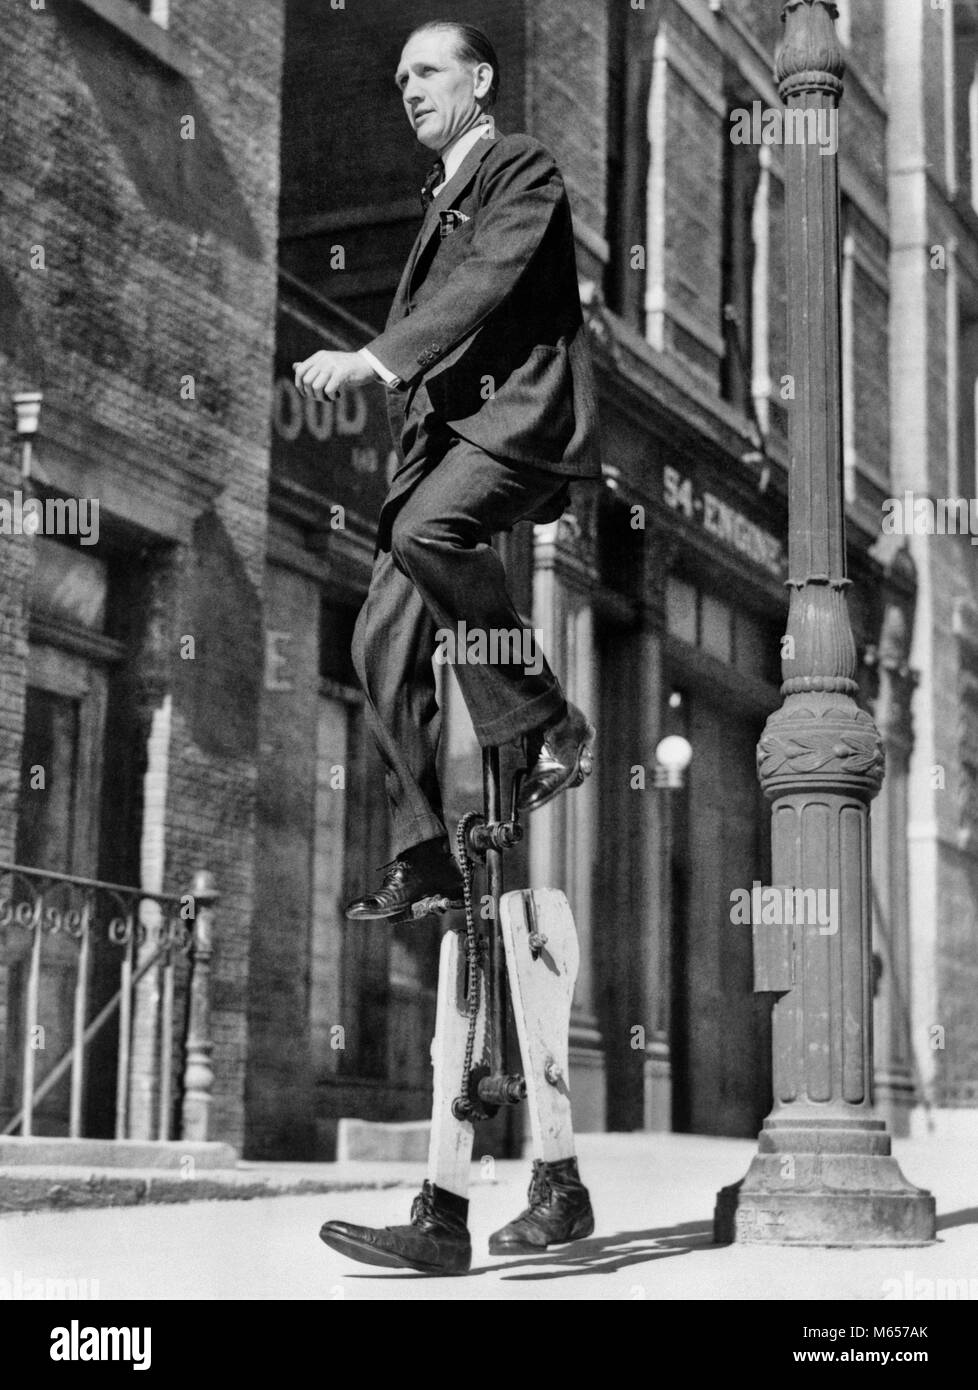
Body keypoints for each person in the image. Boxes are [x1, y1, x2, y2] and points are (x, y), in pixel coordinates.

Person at [296, 19, 598, 1272]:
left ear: (478, 81)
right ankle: (426, 837)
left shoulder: (518, 168)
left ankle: (544, 712)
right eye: (400, 77)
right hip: (442, 461)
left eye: (427, 71)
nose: (407, 89)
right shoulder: (433, 202)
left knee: (424, 531)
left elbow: (481, 297)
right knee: (378, 632)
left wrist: (372, 352)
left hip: (511, 434)